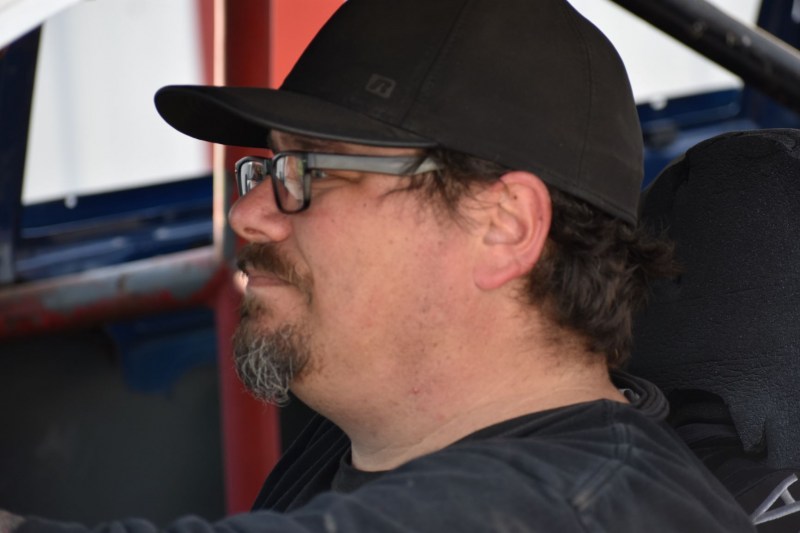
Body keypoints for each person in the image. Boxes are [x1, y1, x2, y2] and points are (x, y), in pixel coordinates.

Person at [1, 0, 756, 531]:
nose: (248, 213)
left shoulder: (574, 511)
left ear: (503, 226)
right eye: (268, 165)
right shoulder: (382, 435)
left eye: (310, 172)